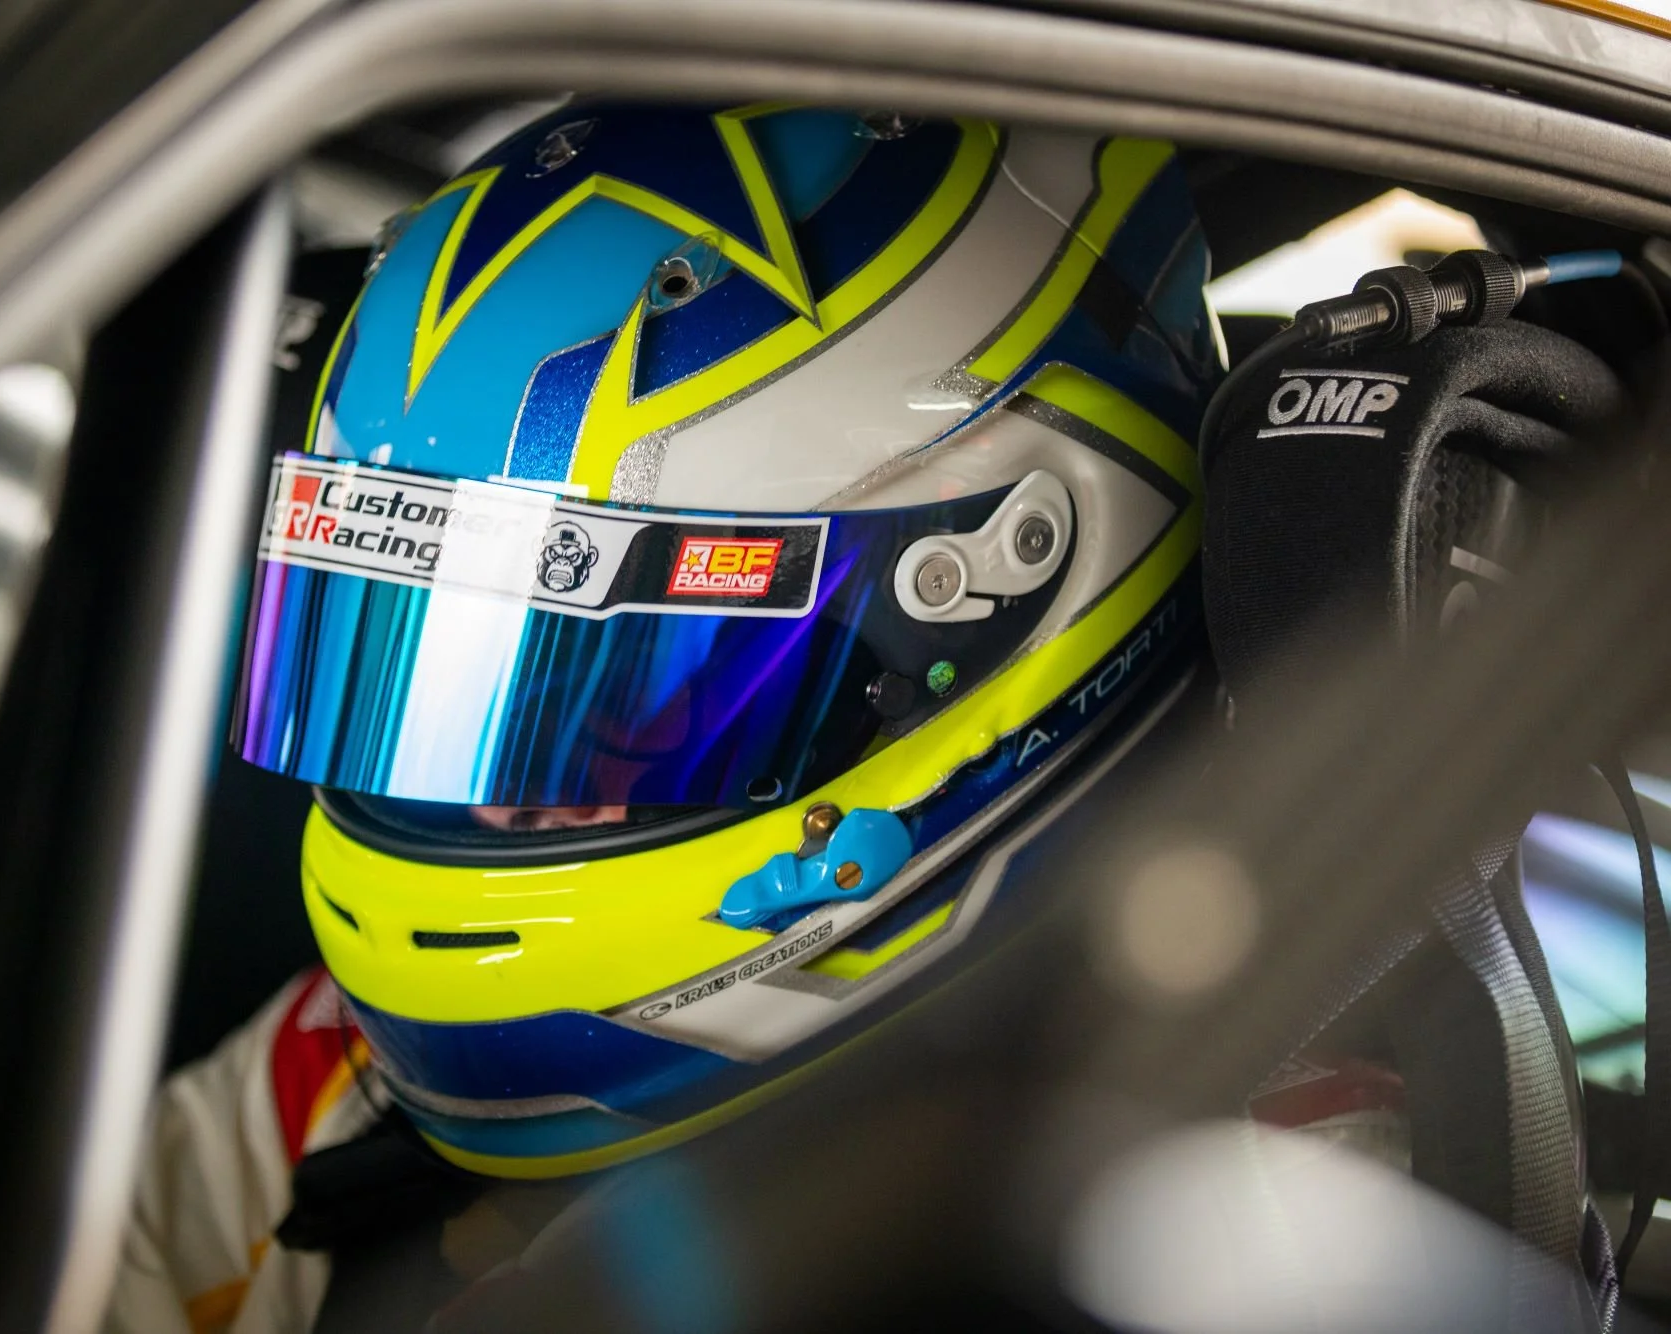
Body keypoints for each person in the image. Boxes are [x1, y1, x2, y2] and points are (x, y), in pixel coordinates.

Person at [98, 100, 1429, 1333]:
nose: (490, 809)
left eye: (624, 702)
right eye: (425, 684)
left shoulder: (1231, 1224)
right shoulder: (327, 1078)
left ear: (998, 602)